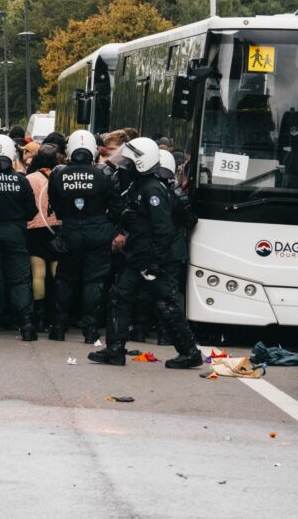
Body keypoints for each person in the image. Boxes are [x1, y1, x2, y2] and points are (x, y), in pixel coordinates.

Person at [90, 138, 202, 368]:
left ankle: (190, 352)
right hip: (138, 256)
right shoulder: (140, 186)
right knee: (119, 298)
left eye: (130, 162)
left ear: (142, 163)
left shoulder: (152, 189)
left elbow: (164, 230)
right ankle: (115, 349)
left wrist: (154, 261)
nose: (125, 166)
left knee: (166, 304)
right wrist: (125, 218)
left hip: (150, 259)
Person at [48, 130, 123, 343]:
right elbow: (117, 208)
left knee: (65, 280)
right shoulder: (104, 175)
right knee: (95, 281)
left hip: (70, 231)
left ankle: (59, 328)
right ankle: (90, 330)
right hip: (98, 231)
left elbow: (55, 207)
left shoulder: (58, 175)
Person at [0, 135, 38, 340]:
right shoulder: (21, 181)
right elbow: (32, 211)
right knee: (20, 280)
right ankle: (26, 324)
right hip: (16, 233)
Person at [25, 145, 60, 332]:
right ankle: (55, 315)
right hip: (56, 228)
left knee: (38, 273)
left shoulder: (29, 178)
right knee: (56, 273)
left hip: (34, 228)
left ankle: (38, 317)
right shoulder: (61, 176)